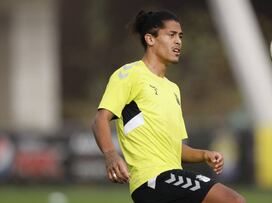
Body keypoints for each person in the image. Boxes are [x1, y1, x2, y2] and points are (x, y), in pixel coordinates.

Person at [91, 10, 245, 203]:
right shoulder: (130, 74)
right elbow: (100, 120)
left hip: (170, 179)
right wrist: (111, 155)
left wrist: (203, 154)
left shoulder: (173, 89)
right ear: (150, 39)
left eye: (180, 36)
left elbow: (177, 149)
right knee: (232, 200)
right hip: (154, 179)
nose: (178, 41)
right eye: (171, 35)